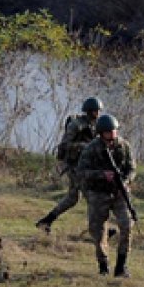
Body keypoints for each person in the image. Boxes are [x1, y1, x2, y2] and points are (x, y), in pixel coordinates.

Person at [76, 114, 135, 277]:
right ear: (101, 133)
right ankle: (103, 265)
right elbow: (81, 172)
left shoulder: (124, 146)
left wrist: (125, 180)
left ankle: (121, 266)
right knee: (98, 230)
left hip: (119, 192)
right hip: (98, 193)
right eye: (109, 132)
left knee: (127, 224)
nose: (113, 135)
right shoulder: (91, 149)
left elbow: (132, 168)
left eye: (114, 131)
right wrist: (102, 175)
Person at [36, 97, 103, 232]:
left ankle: (46, 221)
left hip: (86, 165)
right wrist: (84, 146)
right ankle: (98, 230)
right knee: (91, 196)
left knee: (72, 198)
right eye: (95, 111)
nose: (98, 113)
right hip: (74, 166)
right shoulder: (76, 125)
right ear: (89, 111)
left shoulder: (96, 125)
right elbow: (65, 144)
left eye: (99, 111)